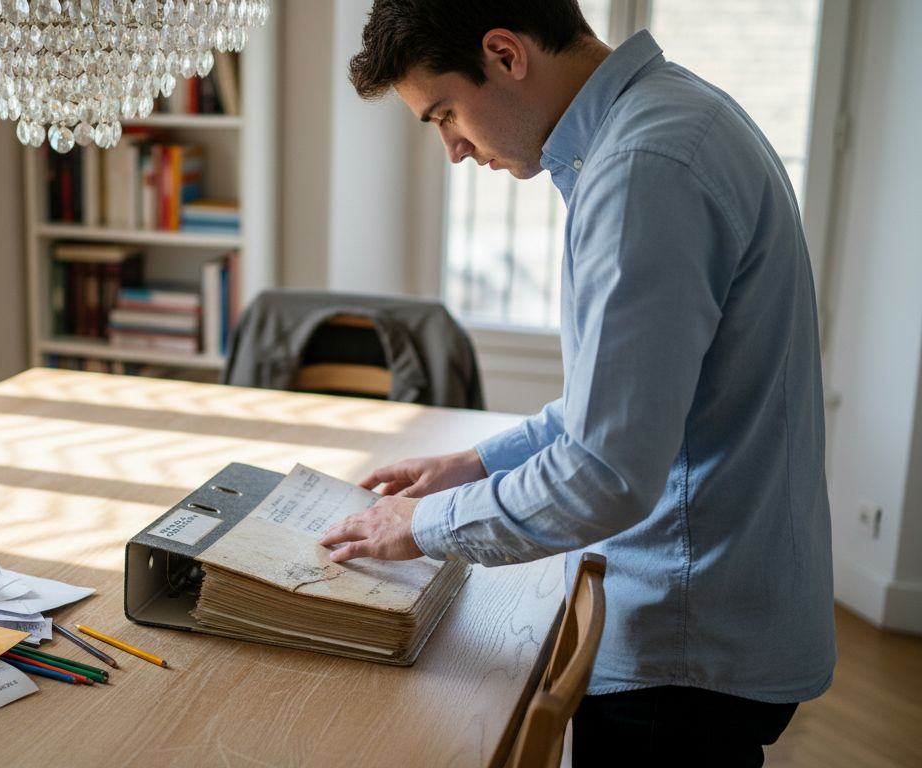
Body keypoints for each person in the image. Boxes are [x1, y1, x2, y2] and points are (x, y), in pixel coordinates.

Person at [319, 1, 835, 765]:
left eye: (446, 113)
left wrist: (419, 527)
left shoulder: (643, 172)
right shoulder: (672, 118)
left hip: (684, 647)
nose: (454, 150)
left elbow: (604, 474)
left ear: (504, 53)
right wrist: (470, 465)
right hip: (718, 614)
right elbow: (625, 405)